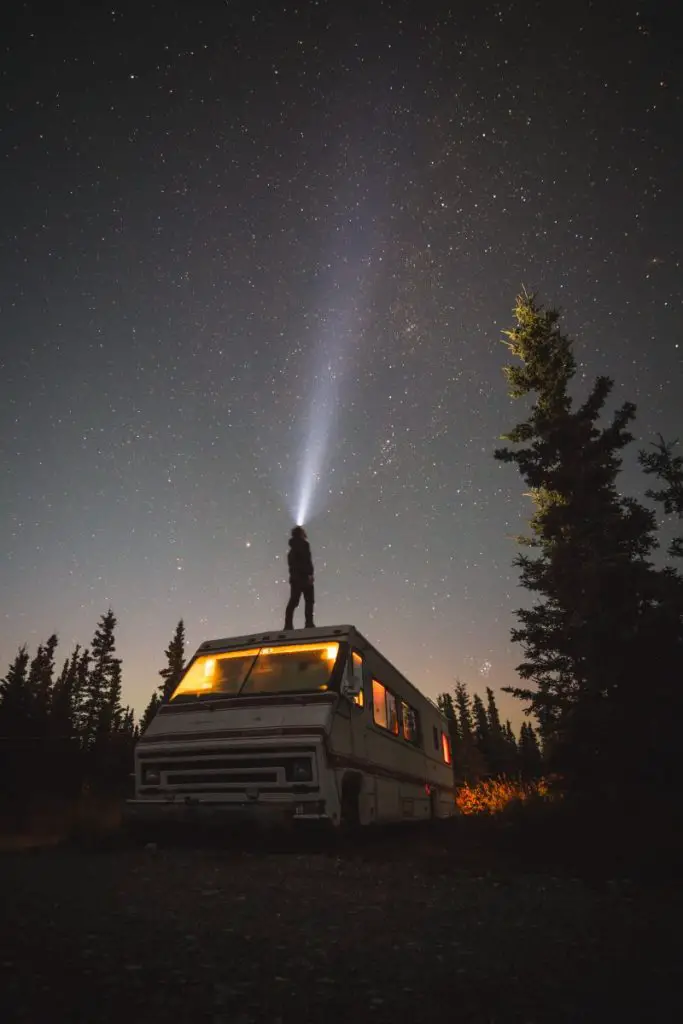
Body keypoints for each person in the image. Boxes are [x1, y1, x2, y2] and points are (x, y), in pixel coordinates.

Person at [284, 526, 315, 630]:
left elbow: (293, 565)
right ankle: (309, 623)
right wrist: (309, 574)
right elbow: (306, 561)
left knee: (294, 601)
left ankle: (288, 625)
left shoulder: (291, 551)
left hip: (295, 578)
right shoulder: (304, 546)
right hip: (303, 577)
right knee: (308, 601)